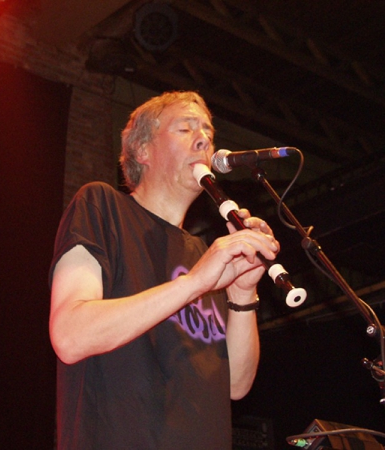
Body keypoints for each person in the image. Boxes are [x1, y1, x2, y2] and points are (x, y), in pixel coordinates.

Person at [49, 91, 280, 449]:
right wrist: (194, 283)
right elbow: (70, 336)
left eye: (207, 132)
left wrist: (242, 291)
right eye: (185, 129)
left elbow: (236, 385)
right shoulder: (102, 206)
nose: (203, 140)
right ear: (142, 150)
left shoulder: (204, 254)